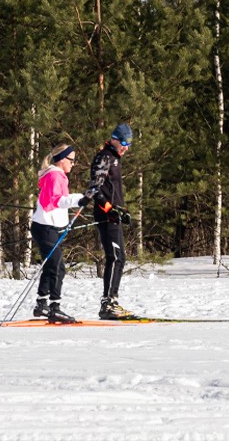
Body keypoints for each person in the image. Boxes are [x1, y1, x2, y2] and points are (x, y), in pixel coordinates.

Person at [31, 143, 88, 324]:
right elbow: (57, 200)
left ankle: (42, 304)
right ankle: (54, 308)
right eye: (71, 160)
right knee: (57, 267)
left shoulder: (55, 174)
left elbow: (53, 202)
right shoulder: (55, 175)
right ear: (62, 159)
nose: (73, 164)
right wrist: (80, 199)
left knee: (51, 265)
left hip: (46, 227)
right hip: (46, 228)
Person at [83, 123, 134, 320]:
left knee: (120, 257)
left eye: (129, 144)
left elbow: (112, 191)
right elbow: (95, 189)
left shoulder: (114, 158)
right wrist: (109, 209)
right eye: (124, 143)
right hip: (106, 215)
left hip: (113, 215)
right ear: (114, 139)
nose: (126, 148)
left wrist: (122, 211)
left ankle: (111, 301)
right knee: (115, 257)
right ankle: (108, 303)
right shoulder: (104, 157)